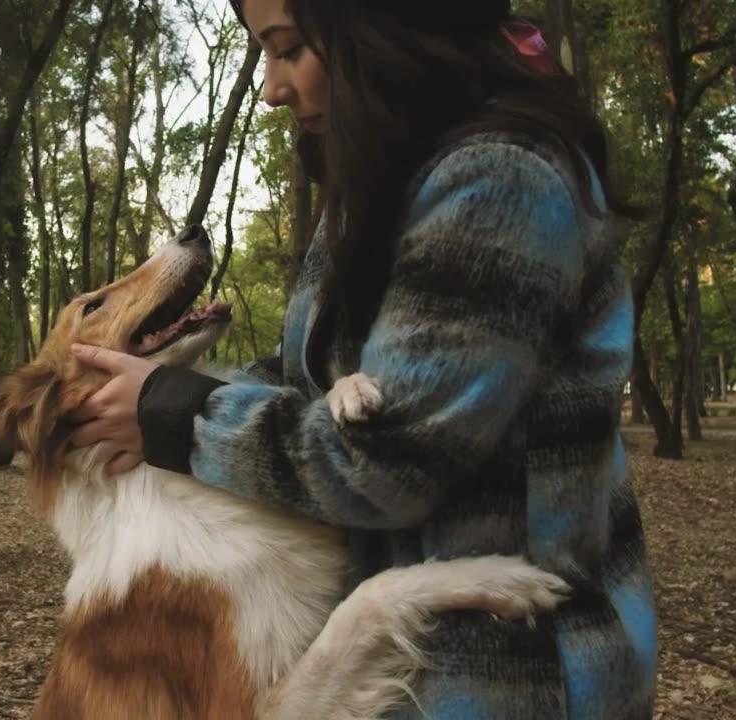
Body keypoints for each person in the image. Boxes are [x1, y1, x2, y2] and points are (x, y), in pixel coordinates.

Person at [67, 0, 657, 717]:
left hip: (511, 677)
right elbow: (299, 376)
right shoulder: (380, 178)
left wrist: (173, 413)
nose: (272, 87)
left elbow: (386, 461)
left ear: (376, 27)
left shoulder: (501, 179)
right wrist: (155, 404)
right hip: (418, 670)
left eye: (287, 50)